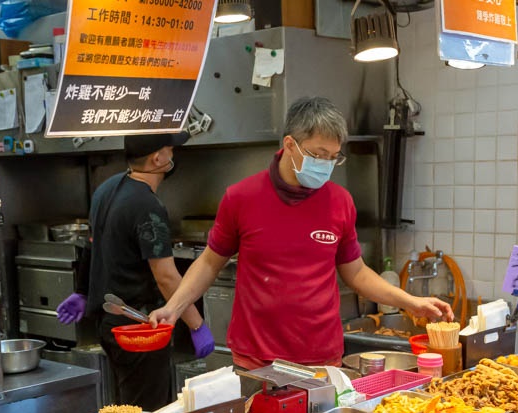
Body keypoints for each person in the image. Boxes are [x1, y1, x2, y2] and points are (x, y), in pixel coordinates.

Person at [150, 96, 453, 369]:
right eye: (319, 154)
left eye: (334, 156)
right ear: (290, 144)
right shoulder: (241, 197)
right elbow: (208, 263)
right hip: (257, 360)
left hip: (322, 359)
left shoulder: (340, 201)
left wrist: (411, 301)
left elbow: (357, 273)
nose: (326, 164)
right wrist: (174, 307)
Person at [56, 132, 215, 410]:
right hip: (140, 327)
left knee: (126, 411)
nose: (173, 156)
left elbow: (93, 244)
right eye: (170, 150)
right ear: (158, 158)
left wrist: (83, 291)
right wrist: (196, 324)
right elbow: (166, 277)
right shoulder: (147, 205)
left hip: (109, 325)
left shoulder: (106, 188)